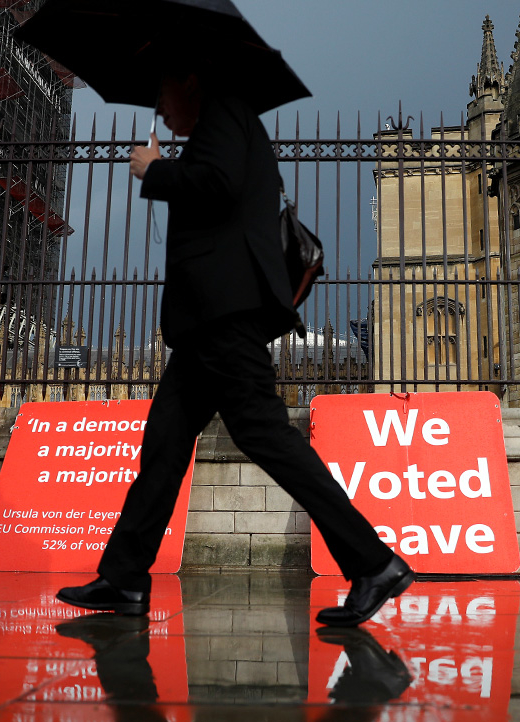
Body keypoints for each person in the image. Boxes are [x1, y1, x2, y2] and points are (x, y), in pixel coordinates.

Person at [56, 67, 413, 627]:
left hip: (226, 316)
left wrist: (156, 171)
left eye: (163, 89)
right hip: (206, 323)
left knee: (264, 434)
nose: (161, 105)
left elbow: (217, 187)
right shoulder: (221, 123)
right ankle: (125, 577)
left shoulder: (225, 111)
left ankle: (374, 562)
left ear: (190, 81)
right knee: (165, 445)